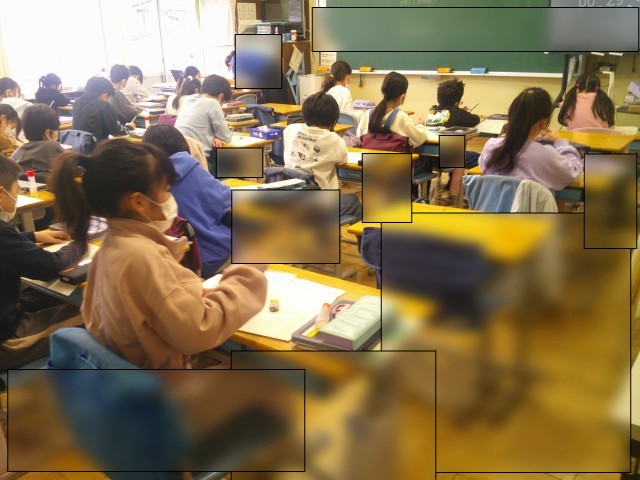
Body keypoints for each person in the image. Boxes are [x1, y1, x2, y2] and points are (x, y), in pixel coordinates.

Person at [49, 139, 267, 368]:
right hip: (161, 383)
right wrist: (248, 268)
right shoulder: (143, 256)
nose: (170, 198)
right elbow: (202, 329)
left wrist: (185, 293)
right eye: (165, 190)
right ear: (138, 202)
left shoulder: (111, 247)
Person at [0, 154, 83, 370]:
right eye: (16, 192)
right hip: (7, 341)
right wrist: (78, 245)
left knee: (46, 295)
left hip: (7, 310)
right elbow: (49, 267)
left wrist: (34, 236)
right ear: (1, 193)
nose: (16, 198)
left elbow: (8, 244)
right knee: (95, 311)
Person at [143, 124, 231, 277]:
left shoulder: (151, 184)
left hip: (183, 262)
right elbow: (225, 199)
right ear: (181, 142)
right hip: (219, 252)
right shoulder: (194, 168)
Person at [479, 87, 583, 191]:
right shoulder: (545, 154)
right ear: (544, 123)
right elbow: (574, 173)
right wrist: (560, 142)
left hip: (491, 202)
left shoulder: (491, 146)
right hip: (531, 203)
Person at [284, 92, 362, 219]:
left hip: (288, 199)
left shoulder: (290, 130)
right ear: (334, 121)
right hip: (318, 204)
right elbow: (343, 161)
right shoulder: (334, 140)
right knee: (354, 201)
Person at [356, 71, 429, 148]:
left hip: (368, 155)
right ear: (402, 96)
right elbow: (419, 138)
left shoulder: (368, 113)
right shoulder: (401, 117)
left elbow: (359, 136)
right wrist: (421, 125)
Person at [175, 74, 233, 168]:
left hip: (179, 160)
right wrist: (216, 136)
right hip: (200, 162)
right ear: (221, 97)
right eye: (223, 103)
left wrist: (213, 136)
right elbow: (226, 137)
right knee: (234, 161)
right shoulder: (213, 103)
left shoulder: (188, 99)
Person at [11, 104, 64, 185]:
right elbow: (72, 168)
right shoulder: (52, 146)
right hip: (52, 191)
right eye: (56, 130)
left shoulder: (17, 153)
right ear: (48, 133)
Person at [72, 76, 129, 142]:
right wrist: (128, 127)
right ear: (105, 95)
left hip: (78, 145)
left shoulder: (78, 102)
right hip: (97, 147)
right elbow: (118, 132)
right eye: (109, 99)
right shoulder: (104, 106)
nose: (109, 101)